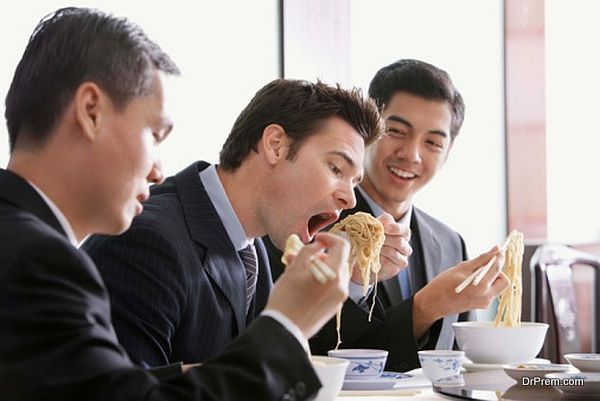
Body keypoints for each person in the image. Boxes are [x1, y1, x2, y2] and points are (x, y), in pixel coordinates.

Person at [0, 7, 351, 401]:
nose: (158, 172)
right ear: (91, 112)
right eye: (154, 134)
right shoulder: (38, 263)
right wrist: (287, 324)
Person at [81, 77, 390, 368]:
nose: (350, 200)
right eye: (336, 168)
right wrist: (286, 327)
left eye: (354, 181)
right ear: (275, 145)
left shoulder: (254, 248)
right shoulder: (147, 241)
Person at [266, 59, 510, 372]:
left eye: (433, 142)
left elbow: (460, 365)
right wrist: (425, 307)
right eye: (396, 131)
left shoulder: (451, 244)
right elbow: (315, 352)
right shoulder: (309, 225)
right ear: (367, 131)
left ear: (449, 152)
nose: (412, 155)